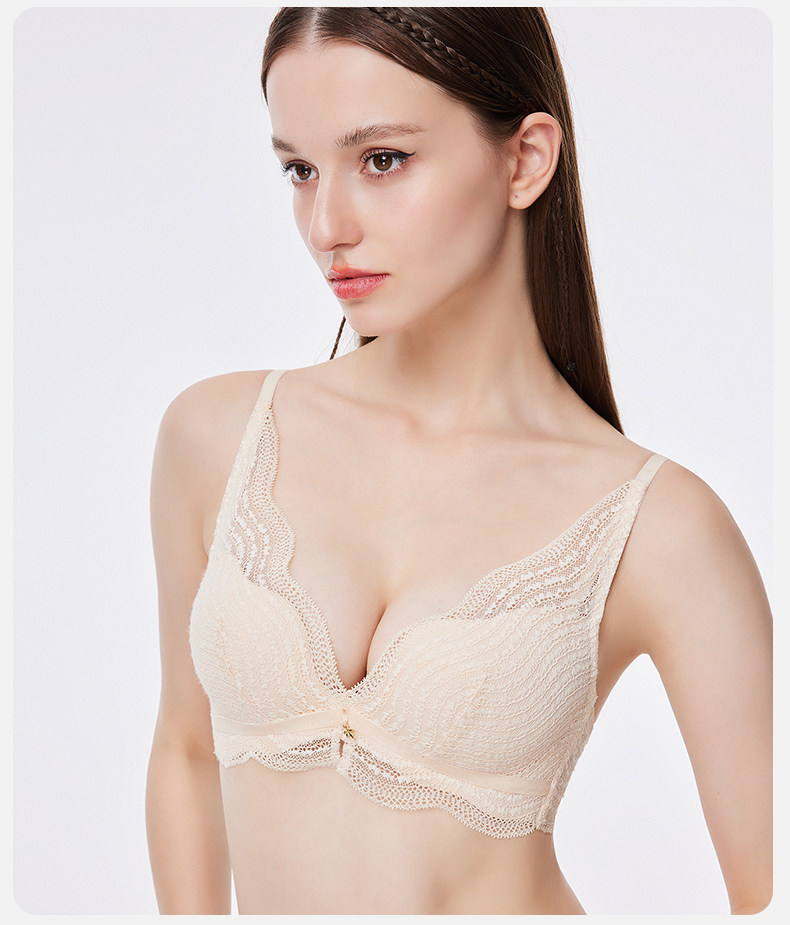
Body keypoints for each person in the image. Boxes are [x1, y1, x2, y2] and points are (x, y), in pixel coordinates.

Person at [144, 7, 772, 915]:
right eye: (300, 170)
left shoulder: (659, 526)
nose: (326, 225)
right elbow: (186, 749)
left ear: (525, 160)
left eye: (382, 160)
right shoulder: (217, 437)